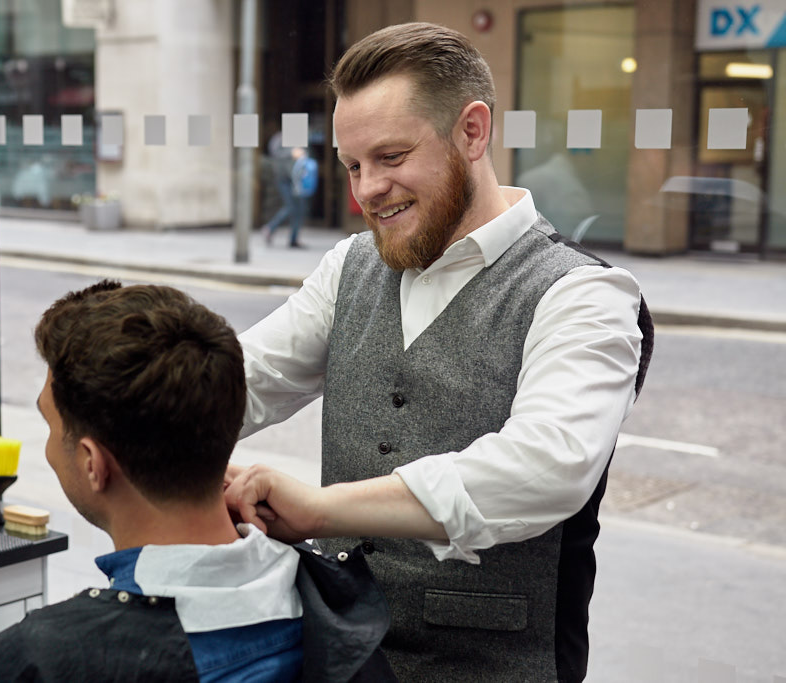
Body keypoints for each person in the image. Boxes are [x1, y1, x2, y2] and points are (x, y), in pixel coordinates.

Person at [226, 22, 654, 683]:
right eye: (353, 165)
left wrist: (321, 509)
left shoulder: (585, 294)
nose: (367, 188)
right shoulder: (349, 266)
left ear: (472, 132)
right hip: (342, 659)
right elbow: (243, 379)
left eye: (391, 156)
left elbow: (547, 466)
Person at [0, 280, 394, 682]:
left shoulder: (45, 660)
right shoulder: (339, 611)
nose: (49, 448)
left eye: (51, 425)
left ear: (92, 463)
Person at [262, 146, 317, 248]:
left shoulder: (303, 140)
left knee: (300, 209)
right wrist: (291, 152)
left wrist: (303, 153)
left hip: (299, 179)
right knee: (291, 207)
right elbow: (275, 152)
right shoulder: (279, 140)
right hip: (285, 179)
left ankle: (293, 239)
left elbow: (308, 154)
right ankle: (270, 227)